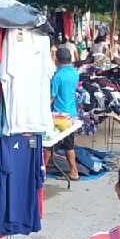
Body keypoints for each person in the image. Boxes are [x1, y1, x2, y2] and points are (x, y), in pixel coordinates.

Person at [49, 44, 82, 180]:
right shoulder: (74, 73)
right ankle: (74, 171)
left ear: (57, 60)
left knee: (49, 145)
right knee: (69, 145)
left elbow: (52, 97)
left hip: (59, 116)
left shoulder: (58, 76)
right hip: (72, 114)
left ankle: (40, 174)